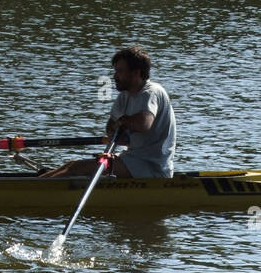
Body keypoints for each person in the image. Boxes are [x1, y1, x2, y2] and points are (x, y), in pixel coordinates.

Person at [40, 46, 175, 179]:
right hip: (132, 159)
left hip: (152, 167)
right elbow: (110, 128)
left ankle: (35, 191)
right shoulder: (125, 95)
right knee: (72, 164)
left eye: (120, 71)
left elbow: (144, 124)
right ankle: (35, 184)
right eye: (115, 71)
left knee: (77, 169)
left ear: (136, 72)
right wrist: (119, 129)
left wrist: (122, 122)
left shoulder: (151, 92)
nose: (115, 76)